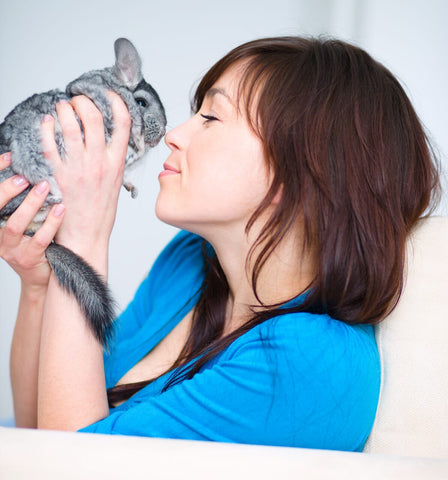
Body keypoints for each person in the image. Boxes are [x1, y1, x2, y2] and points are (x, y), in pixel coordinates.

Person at [0, 36, 440, 451]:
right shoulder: (190, 260)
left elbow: (64, 466)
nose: (173, 135)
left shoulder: (309, 364)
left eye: (210, 117)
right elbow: (39, 423)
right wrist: (42, 284)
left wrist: (83, 237)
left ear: (305, 170)